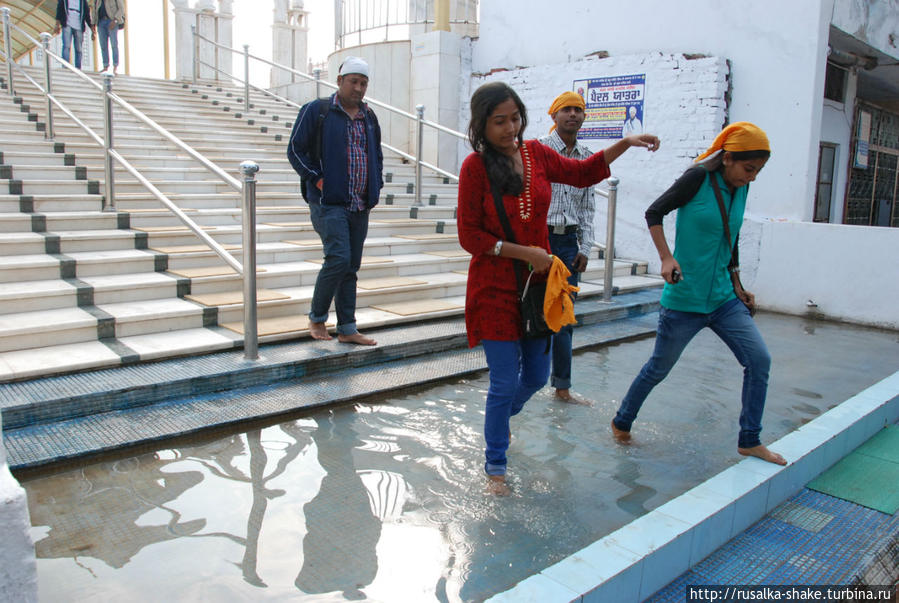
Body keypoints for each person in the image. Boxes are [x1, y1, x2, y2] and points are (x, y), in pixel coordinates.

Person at [457, 81, 660, 494]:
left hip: (539, 289)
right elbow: (469, 236)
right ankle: (495, 465)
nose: (510, 128)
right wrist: (526, 252)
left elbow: (584, 174)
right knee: (502, 379)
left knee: (534, 375)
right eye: (499, 121)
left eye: (515, 118)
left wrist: (625, 143)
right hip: (494, 288)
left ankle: (500, 419)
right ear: (481, 125)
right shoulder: (474, 168)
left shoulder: (536, 154)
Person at [610, 121, 787, 466]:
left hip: (723, 299)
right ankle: (622, 422)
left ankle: (750, 439)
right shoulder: (697, 179)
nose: (752, 177)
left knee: (759, 360)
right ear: (728, 159)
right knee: (658, 369)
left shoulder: (741, 188)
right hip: (684, 299)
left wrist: (737, 284)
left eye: (758, 171)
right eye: (749, 168)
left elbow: (729, 236)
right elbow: (654, 211)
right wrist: (665, 257)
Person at [287, 56, 383, 346]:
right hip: (328, 202)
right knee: (338, 258)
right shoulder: (318, 111)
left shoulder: (369, 117)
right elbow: (295, 149)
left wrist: (376, 184)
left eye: (363, 83)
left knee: (351, 265)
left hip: (359, 203)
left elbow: (375, 154)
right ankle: (317, 318)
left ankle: (347, 328)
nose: (358, 88)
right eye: (353, 81)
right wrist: (316, 178)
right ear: (340, 81)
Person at [538, 91, 596, 404]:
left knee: (564, 315)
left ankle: (562, 387)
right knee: (531, 310)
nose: (572, 115)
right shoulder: (539, 151)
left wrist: (585, 246)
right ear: (554, 115)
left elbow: (588, 208)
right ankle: (522, 378)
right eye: (566, 110)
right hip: (538, 240)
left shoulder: (586, 157)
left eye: (578, 110)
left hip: (567, 242)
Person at [55, 0, 94, 70]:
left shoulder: (83, 1)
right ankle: (65, 66)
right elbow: (59, 10)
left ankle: (78, 68)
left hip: (79, 26)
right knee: (66, 46)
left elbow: (87, 15)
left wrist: (92, 29)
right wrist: (57, 25)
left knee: (79, 49)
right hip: (67, 24)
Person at [90, 0, 125, 75]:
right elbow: (94, 11)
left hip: (111, 21)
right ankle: (105, 66)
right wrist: (93, 24)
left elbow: (121, 8)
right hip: (101, 23)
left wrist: (115, 20)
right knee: (103, 45)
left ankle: (115, 67)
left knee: (114, 44)